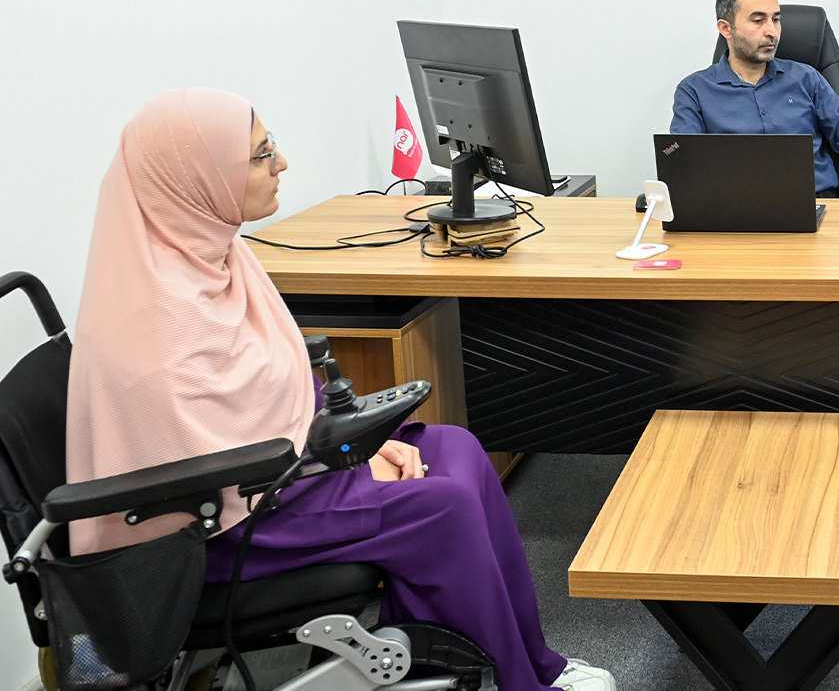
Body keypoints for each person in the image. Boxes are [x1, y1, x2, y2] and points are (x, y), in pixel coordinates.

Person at [65, 88, 614, 691]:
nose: (281, 163)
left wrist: (360, 450)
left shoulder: (211, 257)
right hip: (216, 533)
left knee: (456, 447)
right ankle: (518, 684)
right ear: (197, 179)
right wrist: (338, 469)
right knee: (440, 506)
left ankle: (527, 665)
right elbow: (212, 468)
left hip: (268, 482)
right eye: (261, 154)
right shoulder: (156, 319)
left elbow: (269, 399)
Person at [671, 0, 839, 195]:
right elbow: (683, 163)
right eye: (758, 21)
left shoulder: (806, 78)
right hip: (736, 205)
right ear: (726, 28)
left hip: (816, 202)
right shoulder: (694, 91)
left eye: (775, 20)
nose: (772, 32)